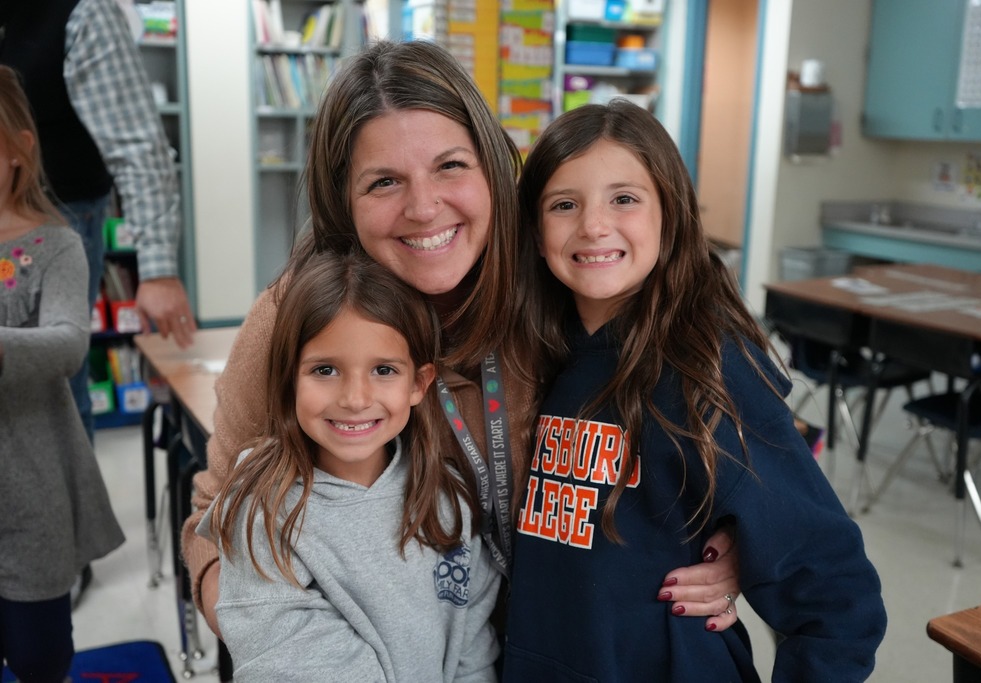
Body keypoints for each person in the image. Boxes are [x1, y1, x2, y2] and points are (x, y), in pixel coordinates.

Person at [182, 39, 742, 642]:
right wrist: (280, 647)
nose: (424, 208)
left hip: (573, 647)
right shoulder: (297, 318)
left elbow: (702, 419)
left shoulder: (561, 277)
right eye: (384, 182)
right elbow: (213, 524)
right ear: (344, 202)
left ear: (493, 168)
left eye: (450, 166)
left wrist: (733, 541)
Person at [501, 100, 887, 682]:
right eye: (564, 204)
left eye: (624, 199)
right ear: (534, 233)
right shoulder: (533, 357)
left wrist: (749, 553)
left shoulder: (707, 367)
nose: (594, 225)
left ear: (671, 215)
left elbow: (834, 591)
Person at [197, 251, 501, 681]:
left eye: (383, 370)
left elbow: (474, 649)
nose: (355, 399)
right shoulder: (262, 506)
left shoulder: (448, 499)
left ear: (419, 384)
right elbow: (287, 660)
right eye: (325, 370)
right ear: (288, 379)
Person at [0, 0, 197, 446]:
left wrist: (158, 271)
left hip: (59, 216)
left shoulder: (82, 12)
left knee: (54, 387)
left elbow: (138, 146)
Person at [0, 64, 125, 683]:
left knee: (39, 655)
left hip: (30, 493)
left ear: (18, 151)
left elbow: (69, 343)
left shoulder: (55, 246)